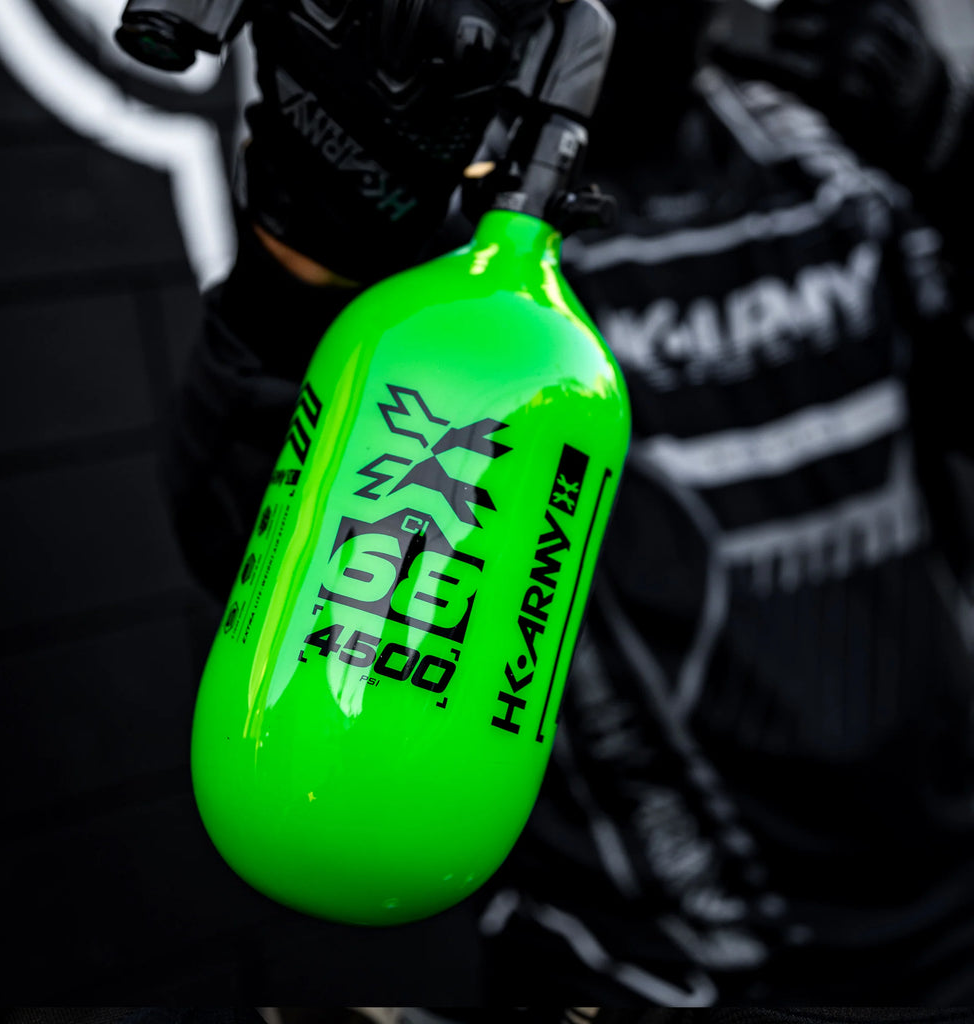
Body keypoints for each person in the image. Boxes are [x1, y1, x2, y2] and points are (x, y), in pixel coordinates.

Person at [162, 0, 974, 1006]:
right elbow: (260, 547)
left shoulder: (828, 143)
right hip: (646, 965)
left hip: (950, 901)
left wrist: (955, 163)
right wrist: (307, 256)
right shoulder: (438, 204)